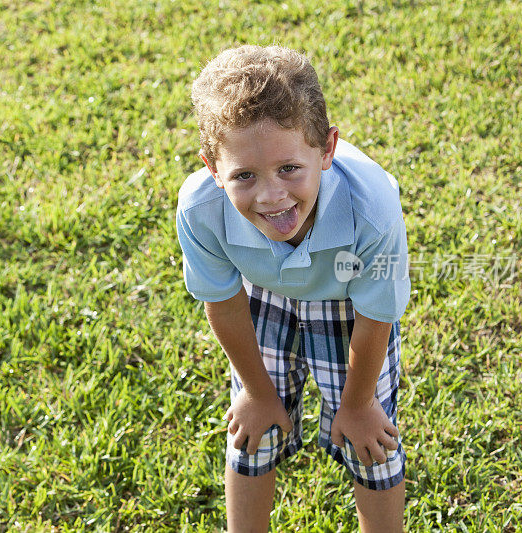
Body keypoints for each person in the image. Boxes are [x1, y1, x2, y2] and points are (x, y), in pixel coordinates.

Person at [175, 45, 411, 532]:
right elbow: (223, 304)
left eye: (289, 169)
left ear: (326, 150)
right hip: (262, 290)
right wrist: (259, 394)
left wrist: (359, 404)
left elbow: (376, 315)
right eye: (243, 176)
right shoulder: (200, 210)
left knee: (371, 443)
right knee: (252, 432)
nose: (271, 195)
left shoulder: (373, 208)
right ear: (212, 169)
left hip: (349, 302)